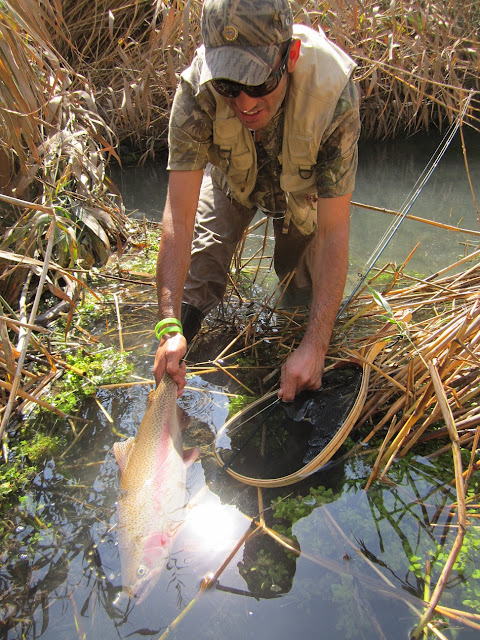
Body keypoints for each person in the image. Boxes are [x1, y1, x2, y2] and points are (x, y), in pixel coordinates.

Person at [153, 0, 360, 402]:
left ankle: (299, 353)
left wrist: (315, 346)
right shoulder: (196, 92)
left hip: (303, 195)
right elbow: (178, 218)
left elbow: (335, 231)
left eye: (260, 83)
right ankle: (172, 374)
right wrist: (168, 328)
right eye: (229, 86)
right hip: (233, 179)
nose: (245, 104)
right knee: (199, 268)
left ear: (291, 56)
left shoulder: (335, 93)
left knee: (302, 291)